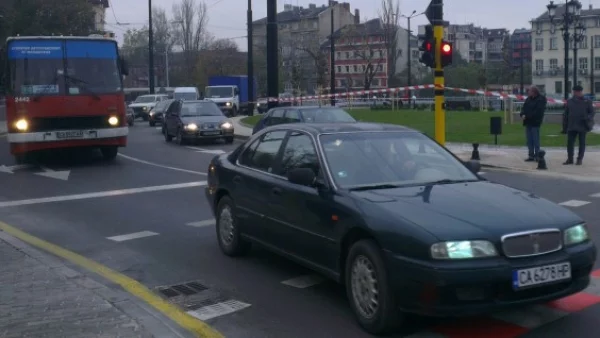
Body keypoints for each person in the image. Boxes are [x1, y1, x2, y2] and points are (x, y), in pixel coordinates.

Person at [563, 85, 596, 165]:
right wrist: (565, 125)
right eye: (574, 91)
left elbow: (592, 112)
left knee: (582, 143)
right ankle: (570, 159)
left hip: (582, 125)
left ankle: (579, 159)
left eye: (577, 92)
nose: (575, 93)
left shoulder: (587, 101)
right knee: (570, 143)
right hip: (572, 125)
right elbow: (566, 114)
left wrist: (587, 118)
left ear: (580, 92)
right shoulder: (570, 101)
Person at [519, 86, 547, 161]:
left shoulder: (541, 99)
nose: (528, 92)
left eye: (529, 91)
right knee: (529, 140)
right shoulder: (528, 99)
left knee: (535, 140)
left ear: (534, 92)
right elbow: (524, 108)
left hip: (535, 122)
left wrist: (527, 116)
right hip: (528, 122)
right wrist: (522, 114)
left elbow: (538, 111)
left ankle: (538, 155)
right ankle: (531, 155)